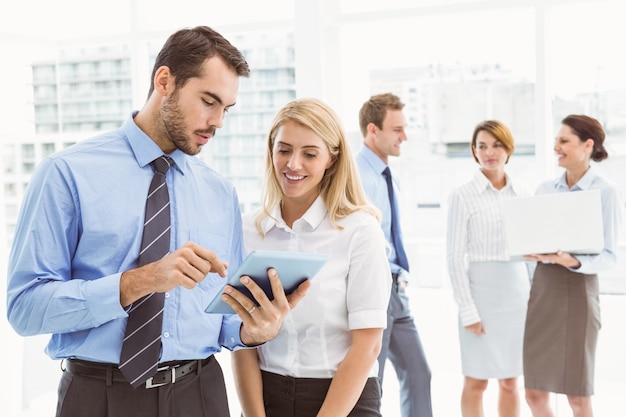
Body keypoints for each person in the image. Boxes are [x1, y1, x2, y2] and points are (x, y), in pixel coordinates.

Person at [6, 26, 309, 417]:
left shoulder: (220, 194)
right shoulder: (67, 174)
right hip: (97, 397)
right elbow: (25, 309)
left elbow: (224, 319)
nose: (217, 122)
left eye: (226, 109)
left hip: (199, 395)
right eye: (208, 101)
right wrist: (141, 281)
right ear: (164, 81)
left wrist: (254, 331)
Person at [231, 98, 392, 417]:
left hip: (345, 399)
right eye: (284, 150)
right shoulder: (247, 230)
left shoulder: (359, 230)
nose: (293, 164)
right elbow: (241, 337)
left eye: (309, 154)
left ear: (332, 159)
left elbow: (367, 345)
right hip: (266, 396)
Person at [522, 114, 622, 417]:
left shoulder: (605, 192)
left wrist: (573, 261)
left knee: (577, 396)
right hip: (542, 291)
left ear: (588, 144)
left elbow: (609, 256)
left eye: (563, 141)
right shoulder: (544, 190)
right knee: (534, 392)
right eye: (556, 141)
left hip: (580, 292)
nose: (556, 147)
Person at [446, 120, 531, 417]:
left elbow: (530, 254)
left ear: (508, 149)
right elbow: (455, 257)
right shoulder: (462, 195)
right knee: (476, 381)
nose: (489, 152)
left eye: (496, 145)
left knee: (510, 382)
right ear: (474, 151)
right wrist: (468, 309)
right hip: (481, 296)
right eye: (482, 146)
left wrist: (535, 300)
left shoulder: (523, 192)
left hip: (517, 297)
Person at [355, 93, 433, 417]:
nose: (405, 137)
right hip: (376, 287)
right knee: (374, 384)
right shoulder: (356, 175)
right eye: (397, 129)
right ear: (373, 130)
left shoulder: (390, 175)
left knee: (418, 374)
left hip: (397, 290)